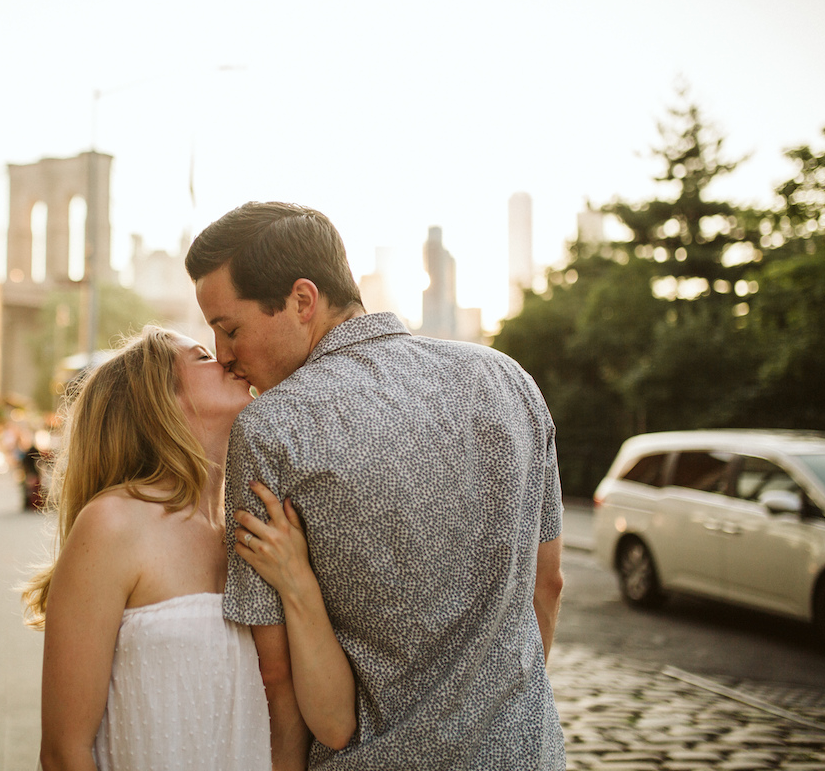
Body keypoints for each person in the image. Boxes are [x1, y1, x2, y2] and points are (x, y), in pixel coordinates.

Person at [185, 202, 566, 770]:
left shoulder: (272, 428)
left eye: (229, 328)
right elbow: (548, 584)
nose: (224, 355)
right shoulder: (507, 379)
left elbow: (278, 676)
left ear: (302, 301)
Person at [22, 326, 356, 771]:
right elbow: (64, 752)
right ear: (159, 403)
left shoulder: (257, 529)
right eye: (202, 357)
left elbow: (329, 723)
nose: (226, 358)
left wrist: (299, 582)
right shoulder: (112, 524)